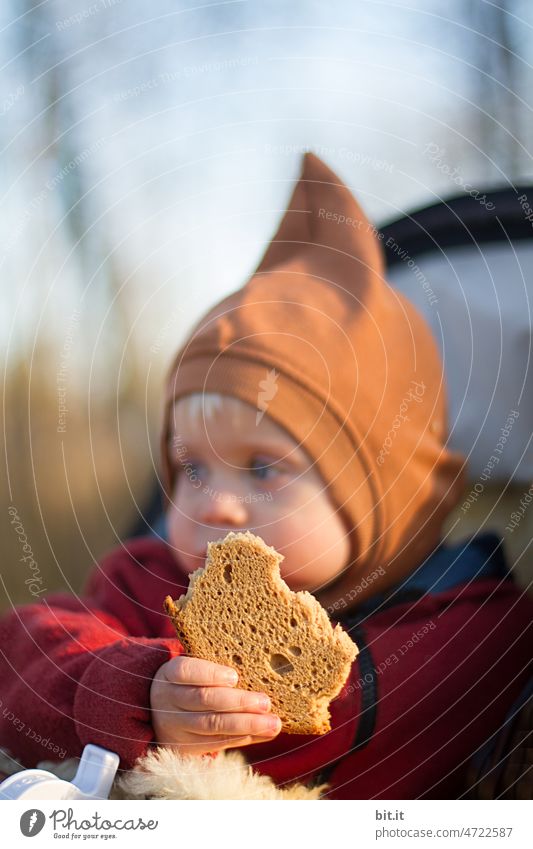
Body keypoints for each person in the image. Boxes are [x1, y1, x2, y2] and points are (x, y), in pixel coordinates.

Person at [0, 154, 531, 799]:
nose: (213, 506)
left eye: (262, 467)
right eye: (190, 466)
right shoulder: (148, 586)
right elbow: (19, 654)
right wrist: (134, 691)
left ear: (388, 498)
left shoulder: (481, 630)